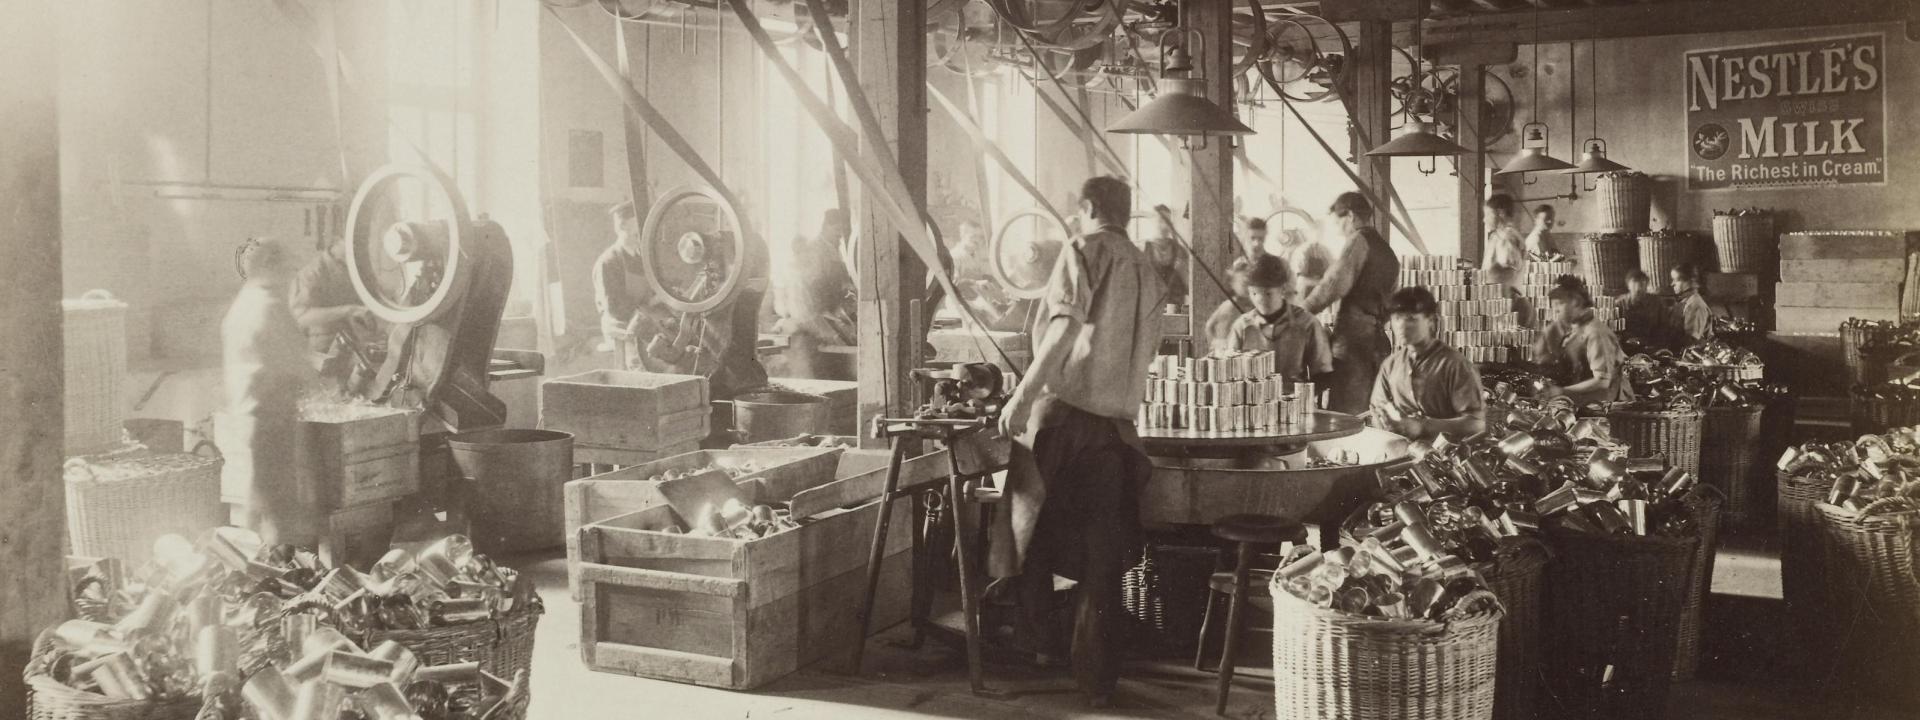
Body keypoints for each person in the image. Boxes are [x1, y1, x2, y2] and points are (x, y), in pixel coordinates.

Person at [997, 175, 1164, 707]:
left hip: (1066, 419)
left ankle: (1033, 648)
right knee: (1100, 557)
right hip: (1116, 431)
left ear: (1088, 208)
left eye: (1077, 213)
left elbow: (1062, 329)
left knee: (1020, 530)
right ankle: (1095, 680)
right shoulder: (1147, 267)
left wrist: (1020, 397)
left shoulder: (1084, 248)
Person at [222, 238, 319, 546]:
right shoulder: (270, 306)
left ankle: (252, 565)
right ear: (268, 267)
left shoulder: (242, 302)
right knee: (280, 508)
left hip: (247, 414)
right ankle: (282, 572)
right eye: (287, 269)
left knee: (258, 499)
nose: (291, 277)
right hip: (271, 417)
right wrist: (324, 384)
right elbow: (297, 363)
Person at [1300, 192, 1400, 415]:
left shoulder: (1358, 241)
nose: (1337, 230)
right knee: (1372, 411)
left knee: (1346, 413)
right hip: (1378, 342)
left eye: (1338, 222)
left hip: (1353, 343)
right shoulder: (1387, 252)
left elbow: (1333, 285)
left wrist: (1300, 312)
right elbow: (1392, 299)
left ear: (1351, 217)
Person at [1370, 286, 1486, 440]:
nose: (1402, 326)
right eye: (1397, 318)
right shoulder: (1390, 365)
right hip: (1400, 449)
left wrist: (1423, 426)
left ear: (1431, 321)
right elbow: (1377, 406)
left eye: (1411, 319)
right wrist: (1386, 424)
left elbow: (1476, 424)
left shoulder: (1455, 365)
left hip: (1443, 454)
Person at [289, 233, 380, 393]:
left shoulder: (358, 269)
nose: (359, 250)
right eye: (352, 244)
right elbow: (301, 316)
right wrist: (347, 311)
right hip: (326, 353)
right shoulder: (313, 272)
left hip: (359, 352)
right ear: (338, 241)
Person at [1226, 254, 1333, 384]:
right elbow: (1230, 373)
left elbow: (1323, 374)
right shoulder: (1241, 327)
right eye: (1254, 293)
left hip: (1295, 400)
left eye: (1268, 293)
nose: (1260, 300)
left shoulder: (1307, 324)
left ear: (1282, 289)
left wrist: (1302, 397)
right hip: (1253, 401)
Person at [780, 209, 858, 379]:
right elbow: (815, 296)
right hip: (814, 321)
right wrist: (831, 326)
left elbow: (840, 281)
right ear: (826, 226)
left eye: (841, 231)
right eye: (836, 230)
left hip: (826, 316)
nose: (839, 235)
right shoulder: (815, 251)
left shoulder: (835, 248)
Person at [1534, 275, 1634, 405]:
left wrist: (1560, 391)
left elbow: (1602, 381)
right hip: (1585, 405)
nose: (1555, 310)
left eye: (1559, 304)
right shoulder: (1575, 330)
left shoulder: (1595, 332)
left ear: (1576, 302)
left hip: (1605, 409)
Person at [1203, 257, 1252, 351]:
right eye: (1243, 284)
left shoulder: (1250, 307)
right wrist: (1214, 342)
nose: (1247, 288)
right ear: (1232, 284)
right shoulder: (1228, 305)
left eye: (1249, 284)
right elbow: (1209, 325)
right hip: (1224, 348)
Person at [1144, 204, 1188, 307]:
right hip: (1150, 311)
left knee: (1185, 313)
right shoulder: (1143, 250)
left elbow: (1191, 289)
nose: (1163, 226)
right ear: (1152, 222)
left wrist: (1183, 272)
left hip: (1176, 311)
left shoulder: (1180, 251)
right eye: (1159, 220)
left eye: (1167, 221)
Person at [1482, 194, 1528, 290]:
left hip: (1503, 297)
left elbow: (1506, 275)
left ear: (1500, 213)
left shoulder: (1506, 238)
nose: (1484, 220)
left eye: (1488, 214)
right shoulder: (1498, 236)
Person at [1616, 269, 1668, 347]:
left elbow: (1664, 326)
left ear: (1647, 285)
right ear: (1628, 285)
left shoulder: (1656, 302)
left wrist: (1653, 342)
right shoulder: (1619, 304)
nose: (1638, 288)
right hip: (1626, 345)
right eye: (1634, 283)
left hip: (1651, 344)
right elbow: (1615, 330)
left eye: (1642, 284)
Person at [1671, 263, 1714, 347]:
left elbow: (1690, 341)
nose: (1672, 284)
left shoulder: (1695, 304)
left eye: (1676, 280)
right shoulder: (1685, 301)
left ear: (1690, 281)